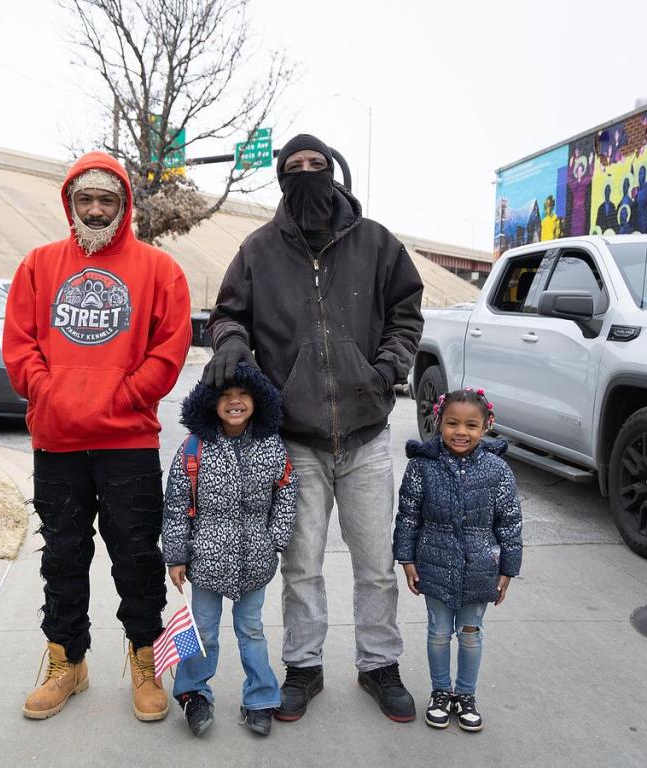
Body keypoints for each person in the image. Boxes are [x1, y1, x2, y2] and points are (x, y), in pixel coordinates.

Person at [205, 134, 424, 724]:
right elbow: (229, 314)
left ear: (334, 172)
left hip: (366, 433)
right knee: (301, 566)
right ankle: (303, 666)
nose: (306, 172)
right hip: (296, 440)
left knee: (376, 563)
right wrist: (231, 342)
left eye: (316, 165)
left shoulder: (376, 243)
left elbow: (407, 310)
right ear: (281, 180)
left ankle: (379, 663)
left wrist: (386, 371)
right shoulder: (258, 249)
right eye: (294, 167)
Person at [4, 151, 192, 722]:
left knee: (137, 558)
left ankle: (147, 663)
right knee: (62, 556)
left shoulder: (160, 270)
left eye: (105, 199)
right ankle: (68, 663)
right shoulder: (38, 265)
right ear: (69, 202)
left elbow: (170, 347)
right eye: (84, 198)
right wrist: (50, 393)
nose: (94, 208)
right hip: (57, 442)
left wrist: (129, 395)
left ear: (124, 205)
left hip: (128, 441)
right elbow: (19, 344)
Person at [162, 363, 298, 738]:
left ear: (257, 401)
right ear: (210, 403)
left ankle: (260, 697)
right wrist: (176, 555)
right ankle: (193, 693)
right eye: (225, 396)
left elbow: (286, 491)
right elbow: (176, 504)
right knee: (200, 630)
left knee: (252, 630)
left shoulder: (271, 446)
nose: (235, 402)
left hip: (255, 559)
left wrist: (276, 539)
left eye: (243, 395)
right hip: (205, 561)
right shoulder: (193, 448)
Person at [393, 388, 523, 732]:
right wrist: (406, 558)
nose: (460, 432)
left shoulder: (498, 470)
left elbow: (509, 521)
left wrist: (509, 567)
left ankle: (465, 695)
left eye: (470, 425)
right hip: (433, 564)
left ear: (486, 426)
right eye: (452, 423)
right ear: (439, 423)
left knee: (470, 633)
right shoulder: (422, 466)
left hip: (480, 567)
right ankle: (440, 692)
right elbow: (408, 516)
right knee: (437, 632)